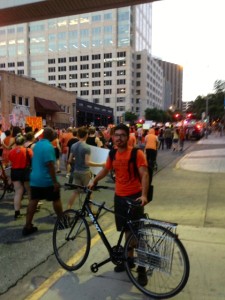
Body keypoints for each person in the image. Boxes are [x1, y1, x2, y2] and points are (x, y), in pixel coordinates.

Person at [88, 123, 149, 286]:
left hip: (135, 197)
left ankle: (142, 270)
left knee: (137, 235)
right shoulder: (113, 153)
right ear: (112, 137)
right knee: (126, 232)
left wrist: (143, 195)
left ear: (128, 137)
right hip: (119, 198)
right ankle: (129, 262)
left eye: (123, 135)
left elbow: (144, 174)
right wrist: (94, 180)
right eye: (117, 135)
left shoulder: (137, 153)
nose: (119, 138)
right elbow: (106, 170)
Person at [22, 127, 63, 236]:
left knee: (33, 200)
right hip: (46, 179)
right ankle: (62, 221)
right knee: (56, 199)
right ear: (50, 135)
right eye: (54, 134)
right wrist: (55, 182)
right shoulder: (49, 147)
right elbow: (50, 165)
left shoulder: (37, 145)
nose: (55, 135)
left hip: (35, 178)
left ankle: (28, 225)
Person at [67, 126, 105, 209]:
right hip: (85, 172)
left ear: (78, 135)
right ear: (86, 135)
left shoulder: (73, 146)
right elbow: (87, 162)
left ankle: (68, 209)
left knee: (76, 192)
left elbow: (69, 160)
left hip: (76, 171)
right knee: (89, 192)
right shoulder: (86, 147)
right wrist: (101, 164)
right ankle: (90, 210)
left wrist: (77, 160)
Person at [8, 133, 33, 219]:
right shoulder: (28, 150)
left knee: (18, 192)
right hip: (26, 172)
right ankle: (31, 209)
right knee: (29, 191)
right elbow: (32, 160)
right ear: (23, 141)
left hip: (15, 172)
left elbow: (10, 163)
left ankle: (17, 212)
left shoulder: (11, 151)